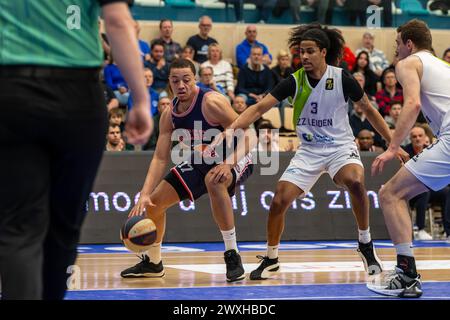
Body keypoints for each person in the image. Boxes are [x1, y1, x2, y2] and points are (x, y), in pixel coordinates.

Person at [214, 24, 406, 281]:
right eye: (301, 51)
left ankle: (365, 243)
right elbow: (259, 109)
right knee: (279, 200)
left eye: (309, 51)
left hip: (340, 147)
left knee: (356, 182)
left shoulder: (342, 78)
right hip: (309, 151)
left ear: (323, 52)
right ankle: (271, 258)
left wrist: (392, 143)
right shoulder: (294, 81)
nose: (303, 56)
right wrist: (233, 128)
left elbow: (369, 110)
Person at [0, 0, 152, 300]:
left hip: (11, 89)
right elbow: (118, 21)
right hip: (77, 95)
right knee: (63, 228)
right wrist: (141, 100)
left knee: (19, 228)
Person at [120, 58, 256, 283]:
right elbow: (160, 157)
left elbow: (250, 134)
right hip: (204, 158)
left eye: (186, 80)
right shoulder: (169, 114)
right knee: (154, 203)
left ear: (195, 80)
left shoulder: (211, 102)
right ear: (169, 84)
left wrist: (229, 163)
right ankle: (153, 263)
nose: (181, 85)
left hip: (237, 155)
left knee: (215, 180)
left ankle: (233, 255)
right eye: (175, 81)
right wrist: (144, 193)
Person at [369, 19, 450, 298]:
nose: (396, 50)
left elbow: (413, 103)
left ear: (409, 44)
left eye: (396, 44)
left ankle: (406, 275)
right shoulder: (442, 65)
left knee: (390, 194)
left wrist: (392, 147)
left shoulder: (408, 63)